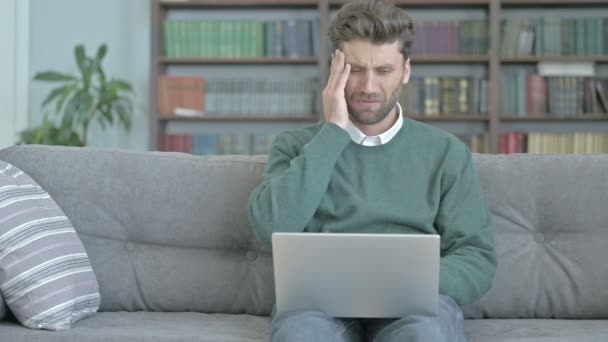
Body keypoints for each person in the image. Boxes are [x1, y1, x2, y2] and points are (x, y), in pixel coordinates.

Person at [247, 0, 497, 340]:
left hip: (414, 304)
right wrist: (332, 133)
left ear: (406, 70)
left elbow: (477, 259)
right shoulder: (294, 146)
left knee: (424, 334)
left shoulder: (446, 153)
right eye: (355, 70)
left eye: (383, 71)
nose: (368, 87)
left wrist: (408, 279)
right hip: (317, 306)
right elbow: (271, 226)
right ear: (336, 69)